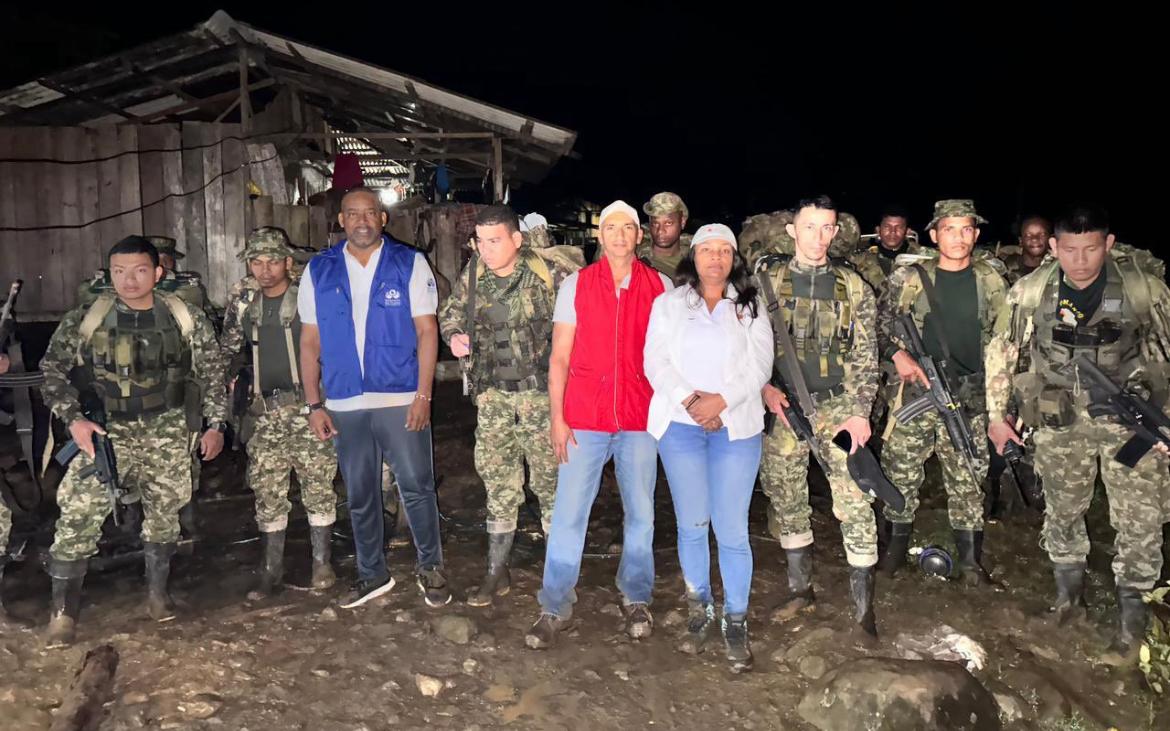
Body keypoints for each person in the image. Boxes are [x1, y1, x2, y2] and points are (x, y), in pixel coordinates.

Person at [985, 204, 1170, 664]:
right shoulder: (1031, 291)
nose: (1081, 260)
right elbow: (1003, 351)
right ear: (1053, 247)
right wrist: (995, 415)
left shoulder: (1142, 289)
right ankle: (1068, 602)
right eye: (1069, 249)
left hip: (1132, 425)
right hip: (1059, 420)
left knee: (1139, 519)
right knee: (1063, 511)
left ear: (1107, 244)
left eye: (1091, 249)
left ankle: (1132, 625)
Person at [40, 236, 227, 645]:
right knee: (78, 514)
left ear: (158, 273)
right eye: (120, 271)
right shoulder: (87, 317)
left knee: (164, 514)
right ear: (109, 273)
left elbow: (212, 373)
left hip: (167, 427)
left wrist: (216, 424)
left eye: (140, 270)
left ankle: (158, 596)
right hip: (105, 430)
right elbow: (51, 371)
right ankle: (62, 615)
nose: (129, 280)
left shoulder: (183, 314)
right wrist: (74, 420)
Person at [524, 201, 671, 649]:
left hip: (639, 417)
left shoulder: (659, 286)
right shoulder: (577, 285)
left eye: (628, 228)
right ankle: (554, 604)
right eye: (612, 228)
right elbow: (560, 356)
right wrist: (557, 416)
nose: (620, 235)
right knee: (569, 513)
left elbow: (668, 355)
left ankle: (636, 595)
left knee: (641, 513)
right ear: (600, 236)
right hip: (584, 417)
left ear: (639, 236)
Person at [298, 186, 449, 609]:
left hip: (401, 397)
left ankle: (430, 567)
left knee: (416, 486)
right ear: (341, 221)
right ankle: (372, 573)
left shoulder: (409, 263)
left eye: (370, 213)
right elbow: (309, 343)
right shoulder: (319, 270)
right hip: (345, 402)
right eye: (352, 214)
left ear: (382, 219)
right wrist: (314, 405)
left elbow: (427, 331)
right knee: (360, 493)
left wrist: (424, 395)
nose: (361, 221)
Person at [644, 223, 772, 671]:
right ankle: (699, 606)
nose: (715, 259)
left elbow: (760, 365)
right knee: (692, 523)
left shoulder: (751, 305)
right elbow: (654, 361)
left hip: (736, 426)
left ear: (733, 258)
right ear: (693, 257)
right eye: (707, 251)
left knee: (732, 529)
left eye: (723, 251)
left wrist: (723, 401)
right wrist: (694, 401)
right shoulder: (669, 304)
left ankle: (735, 618)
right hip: (681, 426)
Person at [438, 205, 579, 607]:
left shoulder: (550, 274)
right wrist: (454, 336)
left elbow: (582, 327)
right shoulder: (474, 275)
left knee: (552, 485)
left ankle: (558, 579)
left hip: (542, 398)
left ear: (517, 239)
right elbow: (449, 314)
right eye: (480, 242)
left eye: (494, 240)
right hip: (495, 400)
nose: (486, 249)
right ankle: (496, 572)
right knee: (498, 484)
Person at [756, 196, 883, 641]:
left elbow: (867, 359)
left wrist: (859, 414)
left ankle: (864, 610)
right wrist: (763, 388)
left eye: (826, 228)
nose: (818, 237)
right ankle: (800, 589)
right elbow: (748, 345)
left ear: (835, 232)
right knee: (785, 492)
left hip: (837, 405)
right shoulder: (766, 280)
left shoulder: (853, 287)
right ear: (793, 230)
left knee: (854, 499)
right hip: (782, 405)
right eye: (809, 227)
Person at [876, 200, 1008, 586]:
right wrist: (896, 354)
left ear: (977, 235)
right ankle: (892, 556)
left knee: (968, 475)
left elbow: (1007, 341)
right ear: (934, 235)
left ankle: (970, 564)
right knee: (900, 472)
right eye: (950, 229)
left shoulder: (991, 281)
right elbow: (877, 326)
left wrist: (1003, 404)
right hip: (915, 391)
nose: (959, 237)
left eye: (967, 229)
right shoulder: (909, 278)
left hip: (968, 397)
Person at [220, 227, 339, 598]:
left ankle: (323, 565)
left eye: (273, 260)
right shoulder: (243, 301)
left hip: (308, 407)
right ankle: (271, 569)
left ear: (288, 262)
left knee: (318, 485)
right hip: (264, 411)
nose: (266, 269)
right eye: (257, 261)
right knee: (267, 490)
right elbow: (228, 349)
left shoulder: (310, 295)